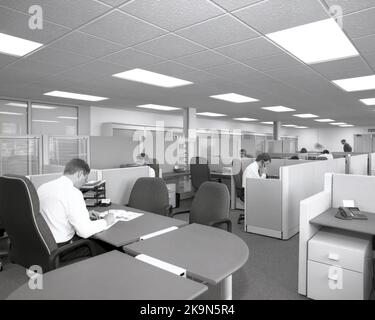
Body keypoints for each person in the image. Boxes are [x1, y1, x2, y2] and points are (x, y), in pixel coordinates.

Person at [38, 159, 116, 258]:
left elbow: (56, 213)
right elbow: (85, 231)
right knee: (108, 247)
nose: (85, 182)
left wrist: (85, 215)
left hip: (43, 244)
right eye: (85, 178)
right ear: (79, 174)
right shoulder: (73, 192)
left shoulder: (43, 187)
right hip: (61, 249)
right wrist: (106, 221)